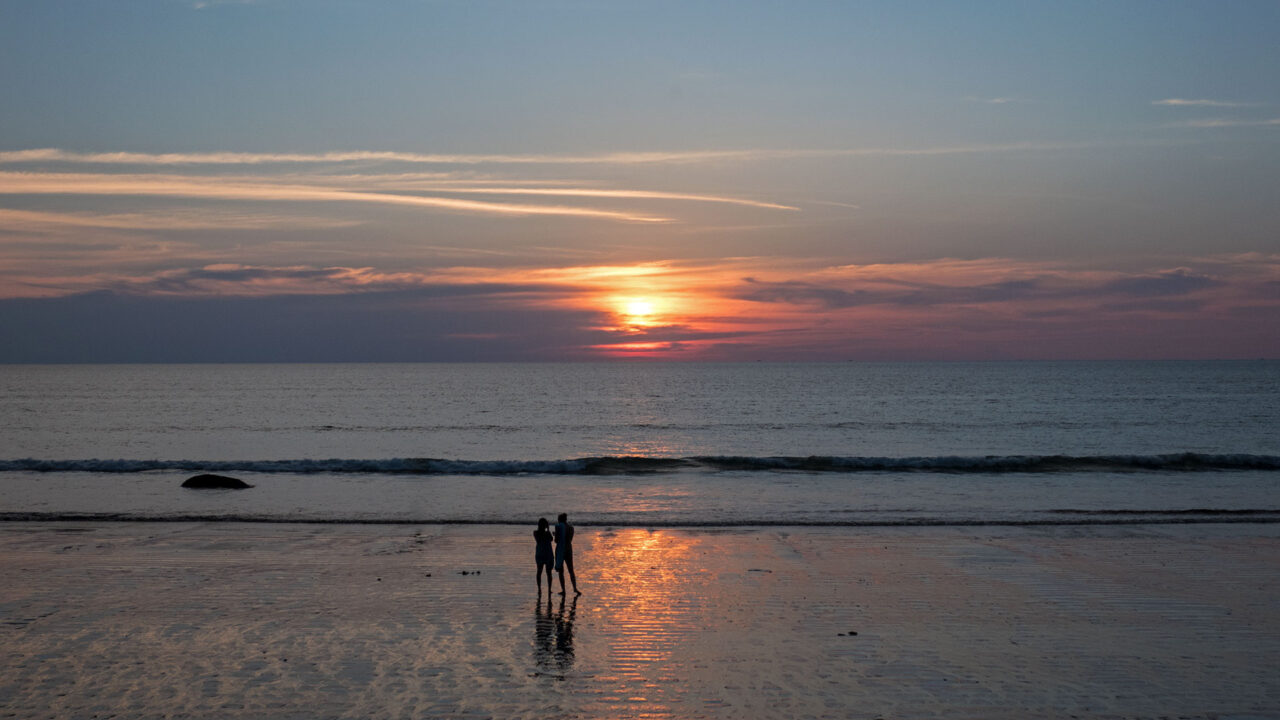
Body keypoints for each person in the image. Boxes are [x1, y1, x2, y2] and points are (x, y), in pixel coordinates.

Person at [554, 512, 580, 595]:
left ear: (560, 520)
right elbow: (570, 539)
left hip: (561, 549)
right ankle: (575, 588)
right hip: (569, 548)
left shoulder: (559, 527)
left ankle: (563, 590)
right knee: (571, 570)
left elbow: (556, 540)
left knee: (561, 571)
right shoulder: (571, 528)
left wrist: (555, 535)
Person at [533, 517, 554, 595]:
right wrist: (548, 530)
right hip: (547, 554)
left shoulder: (536, 532)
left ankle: (540, 588)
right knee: (548, 573)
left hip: (541, 554)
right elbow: (551, 539)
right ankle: (548, 589)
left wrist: (547, 531)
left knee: (540, 571)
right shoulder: (545, 533)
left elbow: (550, 539)